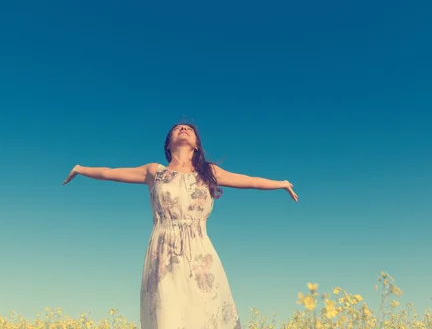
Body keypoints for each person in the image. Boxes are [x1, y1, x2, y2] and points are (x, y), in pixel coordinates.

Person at [62, 122, 299, 329]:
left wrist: (281, 183)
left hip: (200, 252)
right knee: (168, 313)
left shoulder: (209, 172)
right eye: (177, 128)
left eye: (189, 129)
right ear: (168, 144)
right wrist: (80, 169)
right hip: (163, 251)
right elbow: (108, 172)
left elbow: (251, 181)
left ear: (196, 144)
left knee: (205, 312)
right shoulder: (155, 171)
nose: (183, 129)